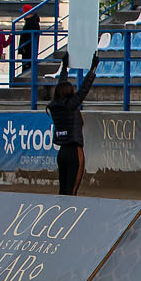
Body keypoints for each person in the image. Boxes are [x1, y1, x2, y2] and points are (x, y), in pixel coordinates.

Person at [47, 61, 87, 196]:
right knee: (72, 192)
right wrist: (92, 70)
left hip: (62, 152)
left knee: (63, 190)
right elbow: (84, 90)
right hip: (75, 151)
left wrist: (65, 67)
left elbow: (61, 85)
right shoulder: (71, 106)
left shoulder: (54, 107)